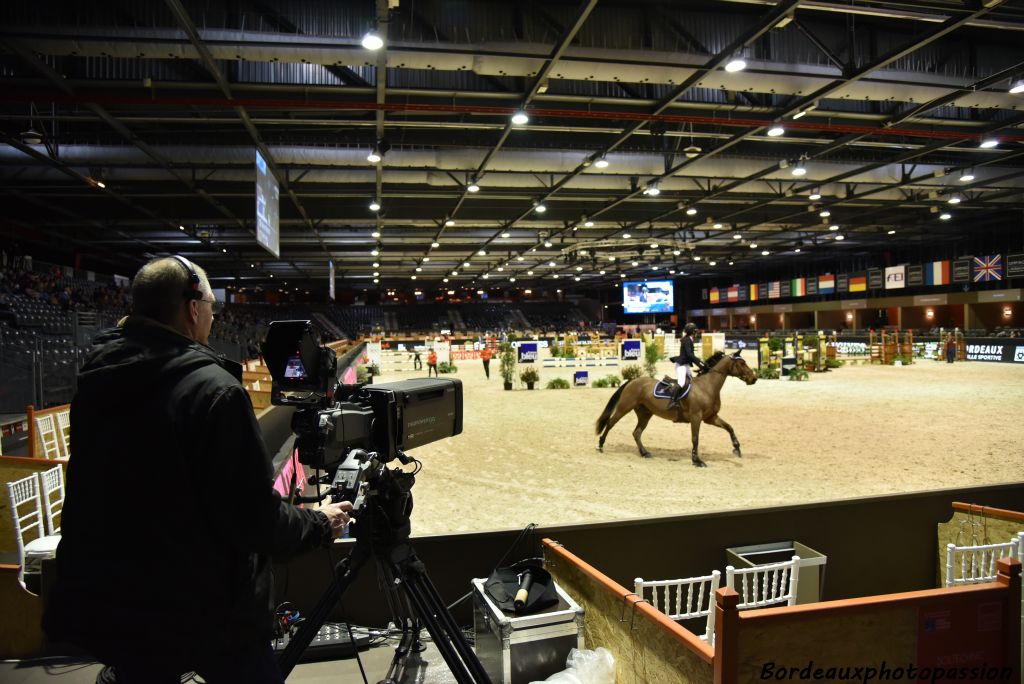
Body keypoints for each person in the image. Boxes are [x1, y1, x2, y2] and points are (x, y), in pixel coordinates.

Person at [43, 256, 353, 684]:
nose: (212, 314)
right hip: (204, 608)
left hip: (114, 601)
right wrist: (319, 522)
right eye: (211, 305)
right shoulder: (214, 391)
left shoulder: (96, 379)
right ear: (193, 308)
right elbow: (255, 522)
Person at [667, 322, 706, 409]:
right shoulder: (687, 340)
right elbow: (689, 355)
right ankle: (673, 401)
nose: (696, 333)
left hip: (686, 365)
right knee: (681, 383)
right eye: (695, 331)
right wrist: (699, 362)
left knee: (691, 381)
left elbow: (691, 356)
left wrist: (700, 364)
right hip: (681, 366)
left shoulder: (689, 339)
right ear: (692, 332)